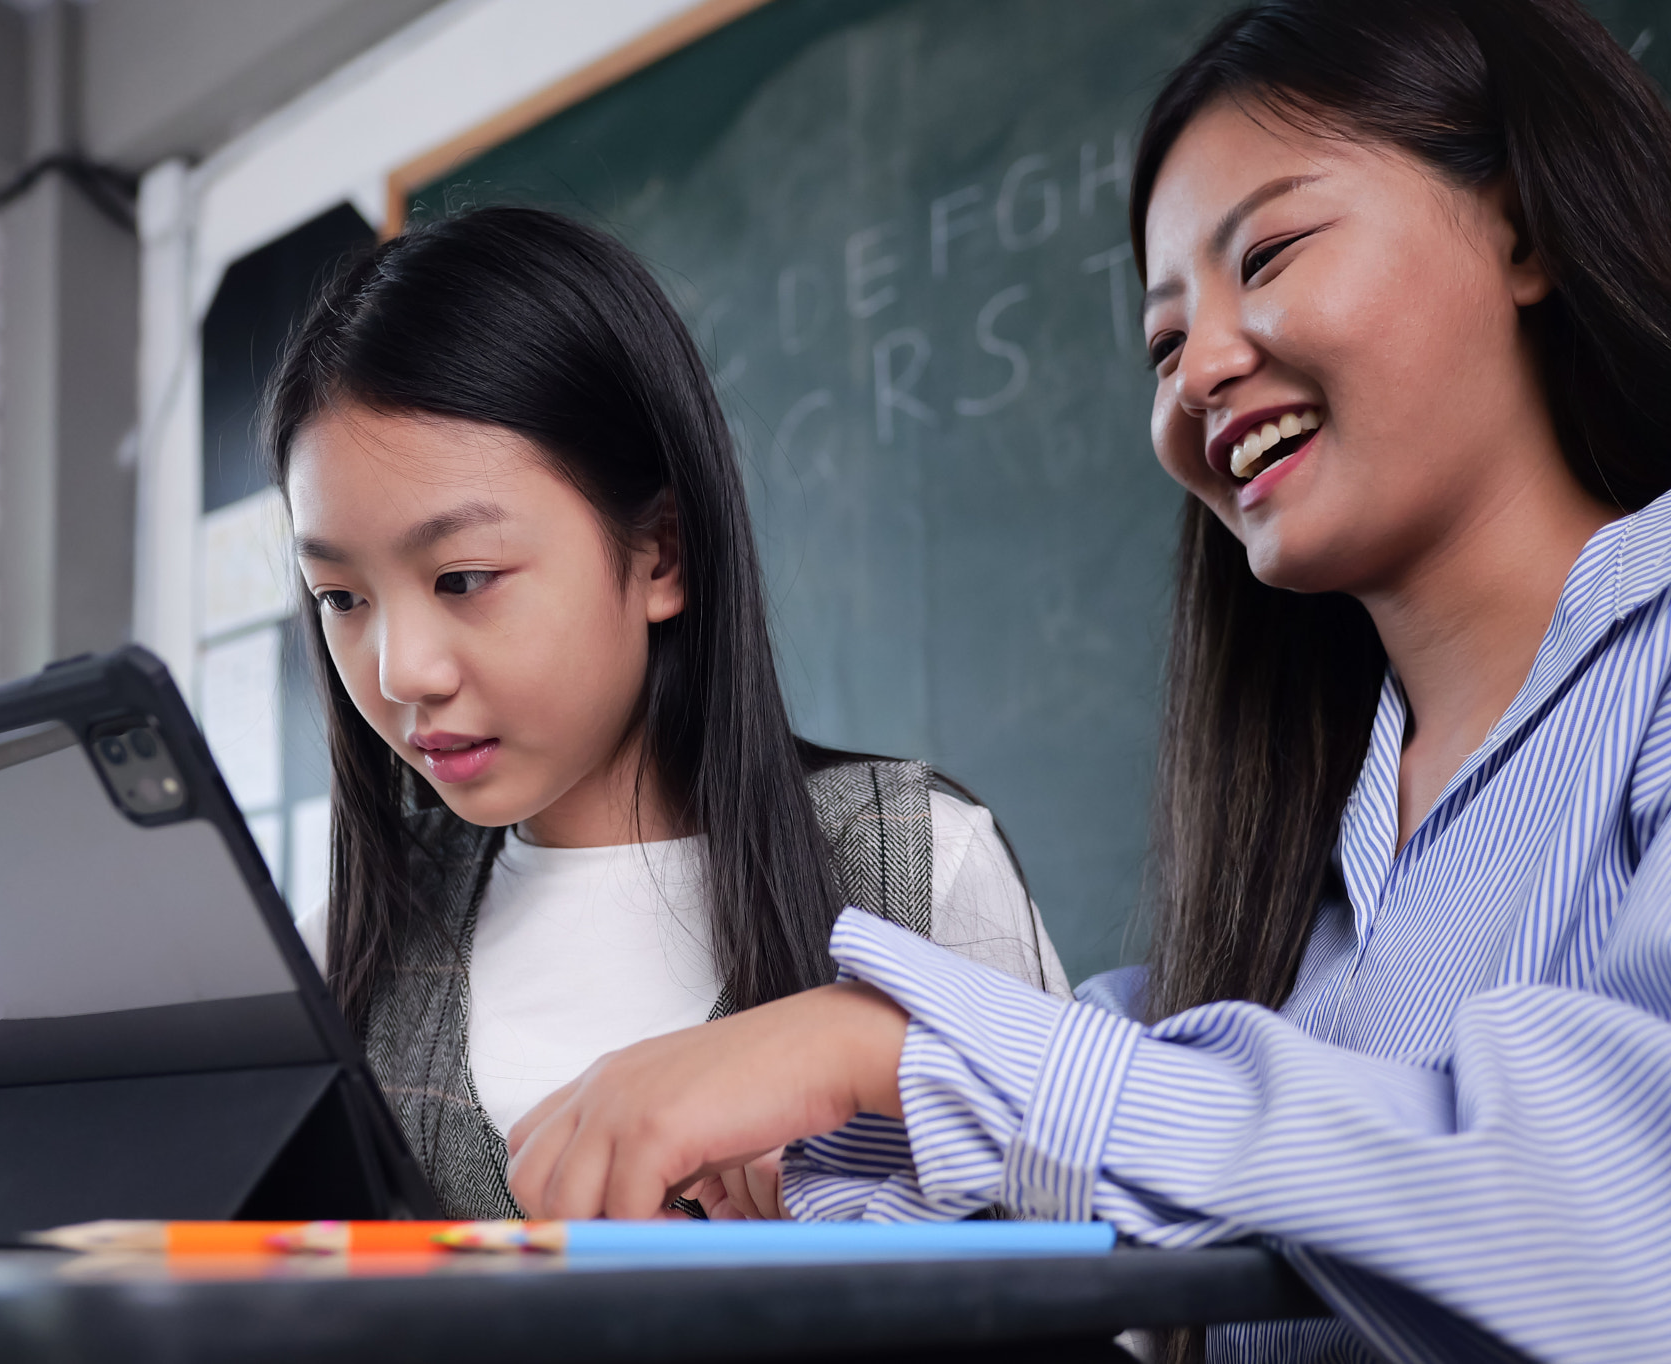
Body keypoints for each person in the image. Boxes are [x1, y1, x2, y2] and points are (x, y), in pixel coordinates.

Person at [501, 1, 1671, 1358]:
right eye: (1165, 343)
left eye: (1273, 253)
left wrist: (897, 1049)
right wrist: (827, 1144)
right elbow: (1182, 1131)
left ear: (1521, 227)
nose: (1206, 371)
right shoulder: (1304, 880)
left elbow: (1628, 1220)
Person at [263, 206, 1069, 1219]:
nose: (401, 670)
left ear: (660, 554)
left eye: (463, 577)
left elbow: (1104, 1306)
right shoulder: (346, 943)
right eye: (342, 598)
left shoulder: (915, 860)